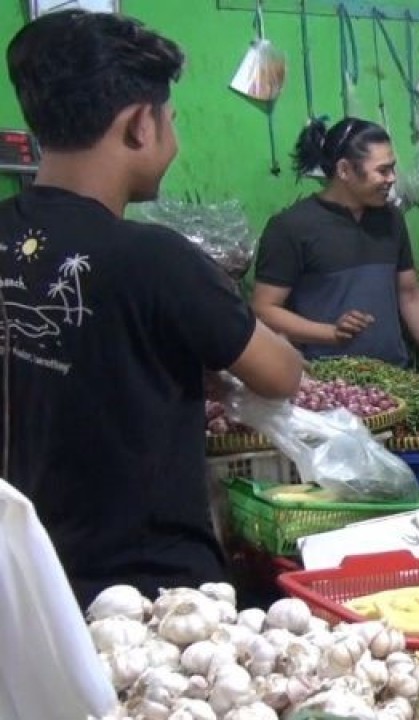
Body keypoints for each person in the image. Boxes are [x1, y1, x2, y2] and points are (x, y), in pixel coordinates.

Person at [0, 10, 304, 608]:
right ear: (140, 124)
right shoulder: (157, 258)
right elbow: (281, 373)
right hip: (151, 590)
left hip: (30, 579)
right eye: (171, 118)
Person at [251, 117, 419, 371]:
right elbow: (264, 311)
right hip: (327, 381)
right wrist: (329, 333)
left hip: (395, 376)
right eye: (382, 170)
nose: (392, 178)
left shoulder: (391, 219)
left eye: (393, 168)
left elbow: (409, 295)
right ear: (344, 170)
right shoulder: (291, 227)